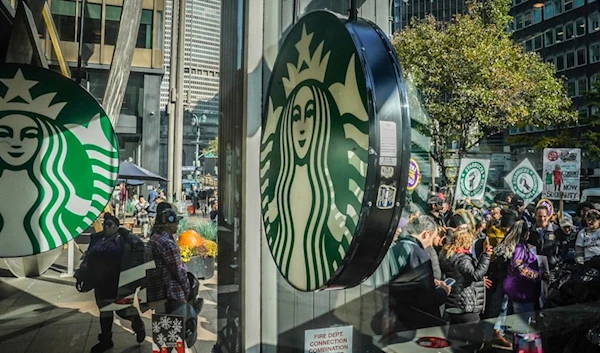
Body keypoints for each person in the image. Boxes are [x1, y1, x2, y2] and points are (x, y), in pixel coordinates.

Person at [83, 213, 145, 353]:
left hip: (119, 281)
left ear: (117, 226)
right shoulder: (97, 239)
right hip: (101, 281)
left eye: (110, 224)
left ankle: (136, 322)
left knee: (122, 310)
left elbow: (137, 251)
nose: (106, 227)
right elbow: (89, 256)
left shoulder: (124, 239)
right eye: (105, 224)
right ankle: (106, 340)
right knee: (105, 312)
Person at [388, 215, 450, 330]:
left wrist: (430, 282)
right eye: (432, 238)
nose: (431, 244)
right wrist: (443, 291)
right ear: (426, 234)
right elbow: (427, 299)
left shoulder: (395, 247)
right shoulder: (420, 255)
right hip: (412, 322)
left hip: (393, 314)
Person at [439, 229, 491, 324]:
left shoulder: (448, 255)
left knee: (454, 332)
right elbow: (475, 275)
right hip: (465, 303)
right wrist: (486, 256)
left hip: (453, 301)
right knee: (472, 334)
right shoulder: (462, 259)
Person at [146, 206, 191, 313]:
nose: (178, 225)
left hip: (159, 296)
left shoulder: (154, 239)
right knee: (177, 328)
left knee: (163, 328)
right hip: (173, 296)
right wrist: (187, 289)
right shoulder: (168, 244)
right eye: (176, 222)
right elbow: (178, 271)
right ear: (168, 225)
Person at [498, 221, 548, 317]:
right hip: (521, 292)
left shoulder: (516, 246)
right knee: (521, 327)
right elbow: (519, 268)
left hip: (515, 290)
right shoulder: (519, 248)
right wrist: (539, 275)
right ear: (525, 233)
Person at [529, 205, 560, 270]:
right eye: (540, 216)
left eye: (544, 216)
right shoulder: (530, 230)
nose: (542, 219)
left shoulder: (556, 230)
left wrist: (556, 260)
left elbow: (563, 246)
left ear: (548, 216)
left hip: (552, 267)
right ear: (535, 216)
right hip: (534, 266)